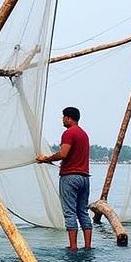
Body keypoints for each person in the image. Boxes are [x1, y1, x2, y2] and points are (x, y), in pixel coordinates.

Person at [36, 106, 92, 250]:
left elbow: (63, 154)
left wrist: (45, 159)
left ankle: (73, 247)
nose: (62, 120)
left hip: (70, 177)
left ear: (68, 118)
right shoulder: (84, 134)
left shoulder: (69, 133)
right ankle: (87, 247)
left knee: (69, 213)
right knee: (83, 212)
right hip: (84, 178)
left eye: (63, 117)